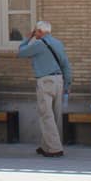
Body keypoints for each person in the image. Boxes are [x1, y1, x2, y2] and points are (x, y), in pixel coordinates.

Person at [17, 19, 71, 158]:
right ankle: (45, 145)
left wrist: (28, 38)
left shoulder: (38, 44)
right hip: (59, 80)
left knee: (46, 114)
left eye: (36, 31)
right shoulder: (58, 43)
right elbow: (66, 64)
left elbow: (21, 52)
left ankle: (55, 148)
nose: (35, 33)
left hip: (45, 81)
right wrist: (67, 84)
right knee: (55, 115)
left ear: (40, 31)